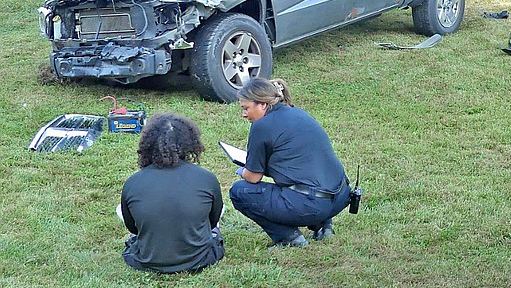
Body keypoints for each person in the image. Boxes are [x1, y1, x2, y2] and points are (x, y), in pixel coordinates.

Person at [229, 77, 351, 249]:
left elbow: (253, 177)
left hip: (313, 205)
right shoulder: (298, 113)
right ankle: (324, 226)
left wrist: (242, 171)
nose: (243, 114)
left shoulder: (261, 126)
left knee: (239, 191)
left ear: (262, 104)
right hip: (341, 197)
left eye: (246, 108)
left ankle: (289, 238)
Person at [120, 113, 225, 273]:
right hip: (200, 258)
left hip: (146, 260)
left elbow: (133, 229)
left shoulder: (132, 182)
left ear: (148, 144)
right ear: (189, 142)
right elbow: (213, 220)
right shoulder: (206, 178)